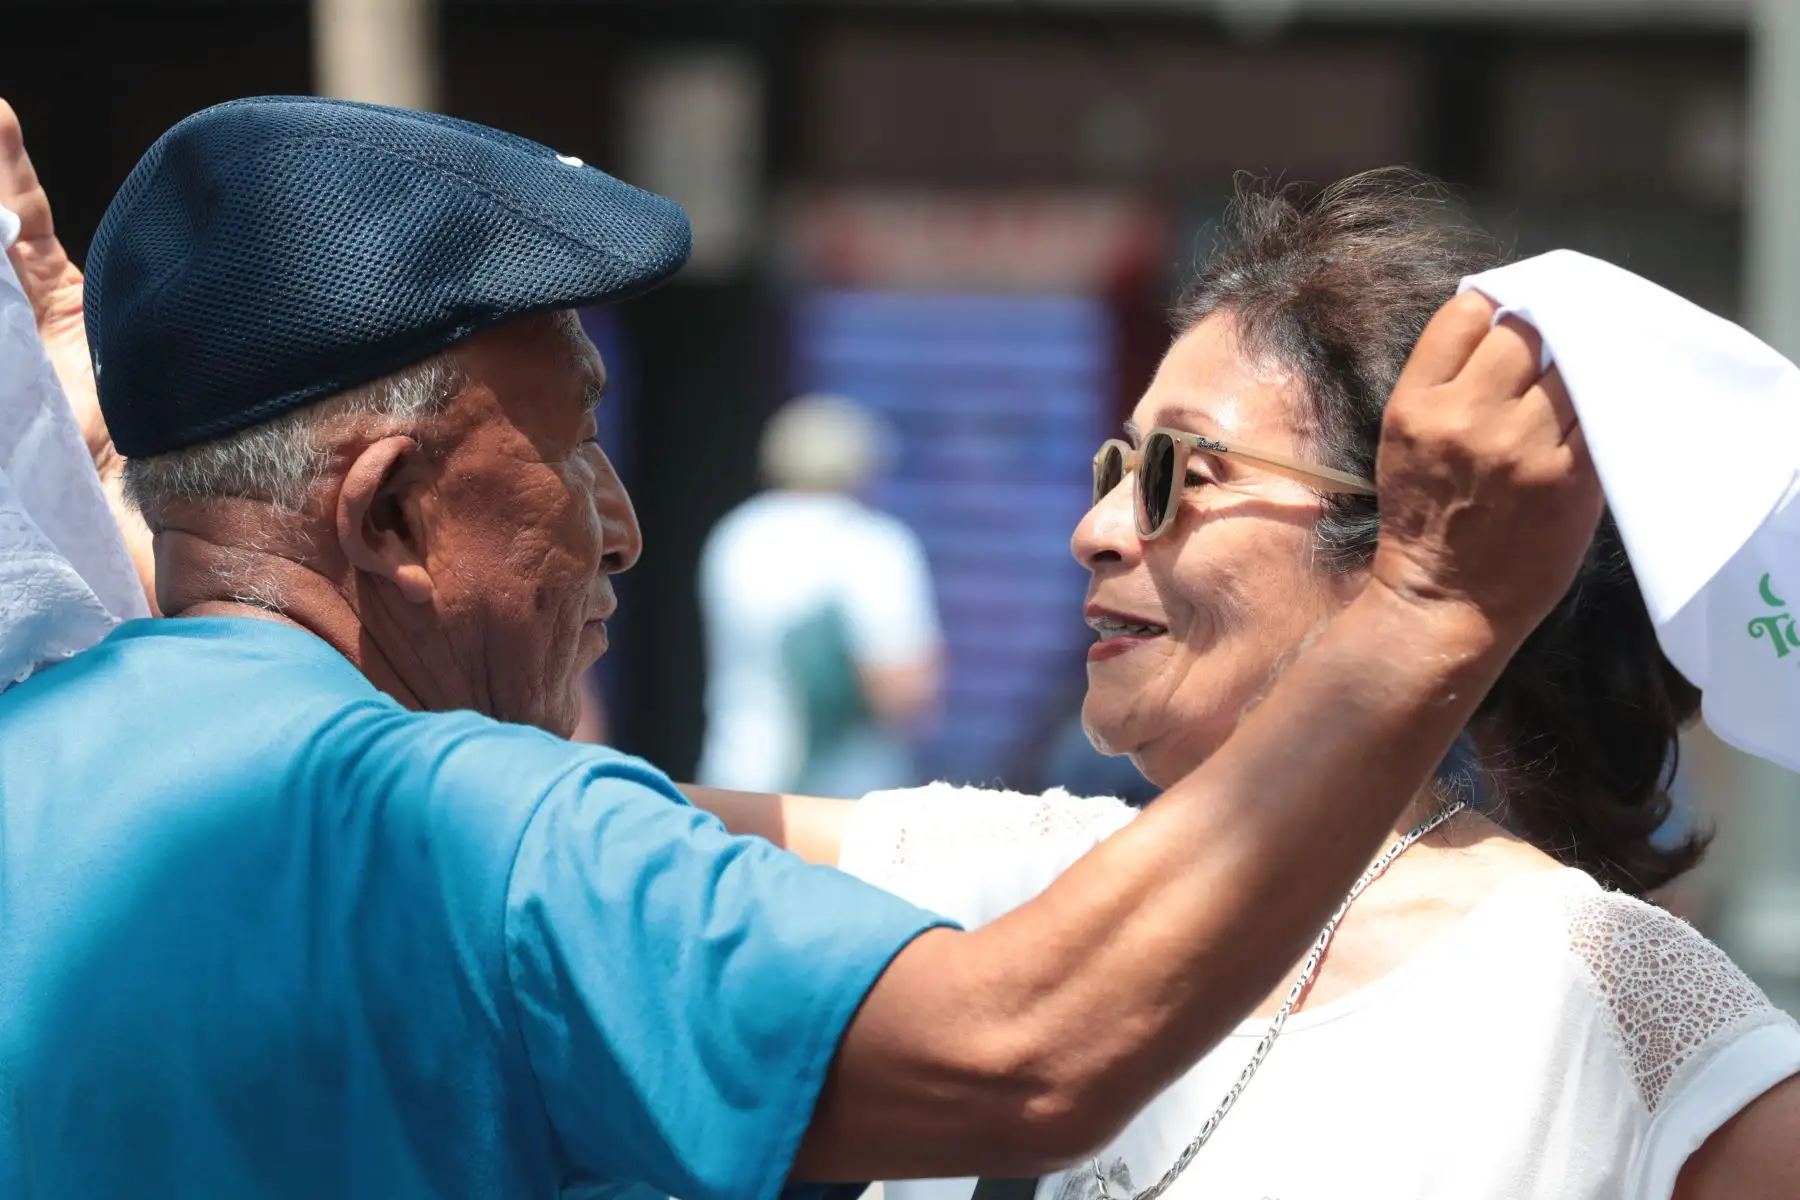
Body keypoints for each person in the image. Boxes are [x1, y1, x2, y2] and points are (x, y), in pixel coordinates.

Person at [0, 100, 1603, 1199]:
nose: (617, 524)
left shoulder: (49, 748)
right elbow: (1021, 1050)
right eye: (568, 451)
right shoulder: (466, 832)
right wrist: (1430, 610)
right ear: (395, 510)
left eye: (1174, 474)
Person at [695, 172, 1800, 1200]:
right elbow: (555, 847)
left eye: (1180, 473)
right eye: (1114, 469)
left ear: (1413, 539)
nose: (1094, 532)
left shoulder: (1629, 1015)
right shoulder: (1024, 877)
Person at [698, 393, 941, 795]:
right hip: (841, 803)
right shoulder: (871, 543)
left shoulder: (736, 535)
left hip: (738, 781)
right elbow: (903, 690)